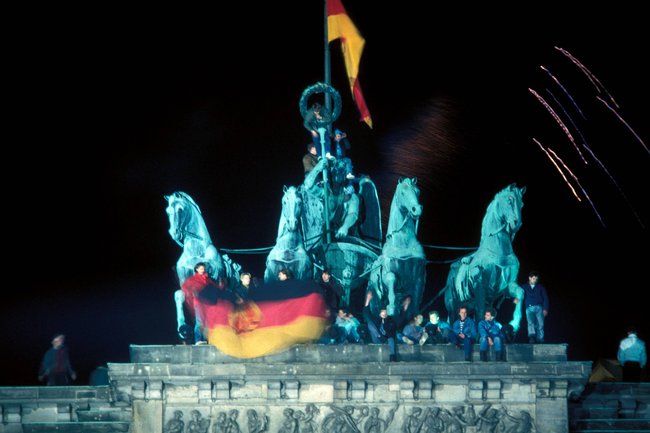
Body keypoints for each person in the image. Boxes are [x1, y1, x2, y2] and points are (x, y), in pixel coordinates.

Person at [181, 262, 222, 344]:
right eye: (200, 268)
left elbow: (216, 288)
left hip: (208, 303)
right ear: (196, 269)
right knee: (200, 321)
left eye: (203, 268)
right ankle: (198, 339)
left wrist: (221, 285)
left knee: (207, 322)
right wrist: (193, 293)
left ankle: (205, 339)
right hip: (199, 303)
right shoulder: (193, 279)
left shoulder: (208, 279)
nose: (202, 269)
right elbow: (185, 287)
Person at [363, 291, 398, 361]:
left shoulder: (390, 321)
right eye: (383, 313)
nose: (384, 314)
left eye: (386, 313)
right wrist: (368, 300)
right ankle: (379, 336)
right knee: (370, 323)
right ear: (379, 314)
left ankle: (392, 357)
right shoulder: (376, 320)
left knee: (391, 339)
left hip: (386, 339)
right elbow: (367, 314)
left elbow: (391, 333)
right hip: (377, 338)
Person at [519, 270, 549, 343]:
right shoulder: (524, 287)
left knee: (540, 323)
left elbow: (545, 298)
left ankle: (540, 339)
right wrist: (516, 299)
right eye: (533, 278)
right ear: (529, 278)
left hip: (539, 307)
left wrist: (545, 309)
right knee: (530, 323)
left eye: (536, 279)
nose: (535, 280)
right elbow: (519, 294)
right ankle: (532, 337)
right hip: (529, 308)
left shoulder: (540, 287)